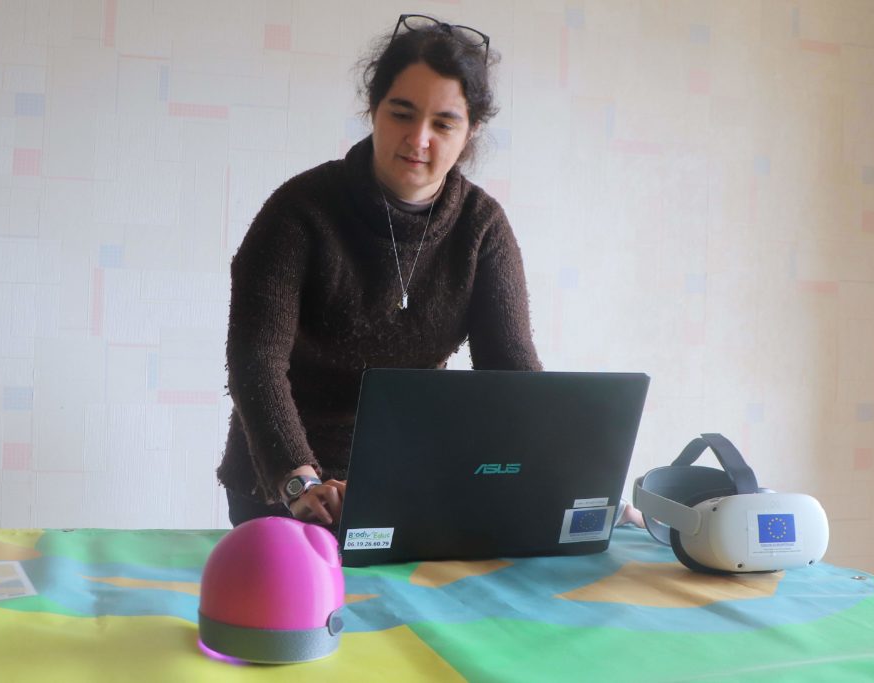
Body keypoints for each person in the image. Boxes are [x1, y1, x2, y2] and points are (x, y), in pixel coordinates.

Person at [217, 14, 644, 530]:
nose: (418, 139)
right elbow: (255, 360)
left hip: (406, 481)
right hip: (283, 479)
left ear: (470, 133)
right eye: (402, 113)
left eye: (443, 123)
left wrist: (582, 482)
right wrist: (299, 481)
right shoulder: (298, 213)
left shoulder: (482, 227)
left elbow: (510, 373)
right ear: (373, 110)